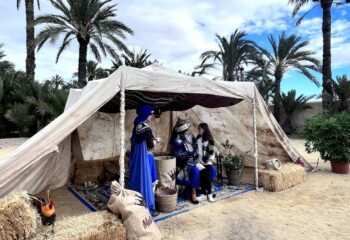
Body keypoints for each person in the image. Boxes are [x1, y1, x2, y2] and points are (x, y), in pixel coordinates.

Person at [128, 104, 161, 216]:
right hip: (144, 159)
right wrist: (156, 141)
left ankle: (135, 205)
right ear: (146, 115)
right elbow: (150, 146)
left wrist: (152, 139)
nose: (151, 117)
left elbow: (138, 141)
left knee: (136, 180)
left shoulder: (136, 125)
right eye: (150, 114)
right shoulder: (145, 128)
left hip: (135, 158)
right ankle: (147, 207)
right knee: (146, 181)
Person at [170, 118, 200, 204]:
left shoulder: (191, 137)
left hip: (192, 162)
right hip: (182, 165)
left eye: (188, 129)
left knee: (197, 171)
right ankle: (191, 193)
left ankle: (193, 192)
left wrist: (196, 156)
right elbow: (175, 154)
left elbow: (195, 148)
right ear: (181, 132)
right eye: (186, 130)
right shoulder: (177, 141)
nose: (188, 131)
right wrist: (185, 156)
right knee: (195, 172)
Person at [196, 123, 217, 202]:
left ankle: (210, 194)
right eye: (198, 129)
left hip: (207, 162)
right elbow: (196, 149)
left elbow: (211, 151)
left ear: (204, 129)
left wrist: (207, 160)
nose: (198, 130)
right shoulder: (197, 138)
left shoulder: (209, 139)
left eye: (200, 129)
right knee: (202, 178)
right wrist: (197, 159)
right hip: (200, 161)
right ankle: (204, 194)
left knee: (207, 178)